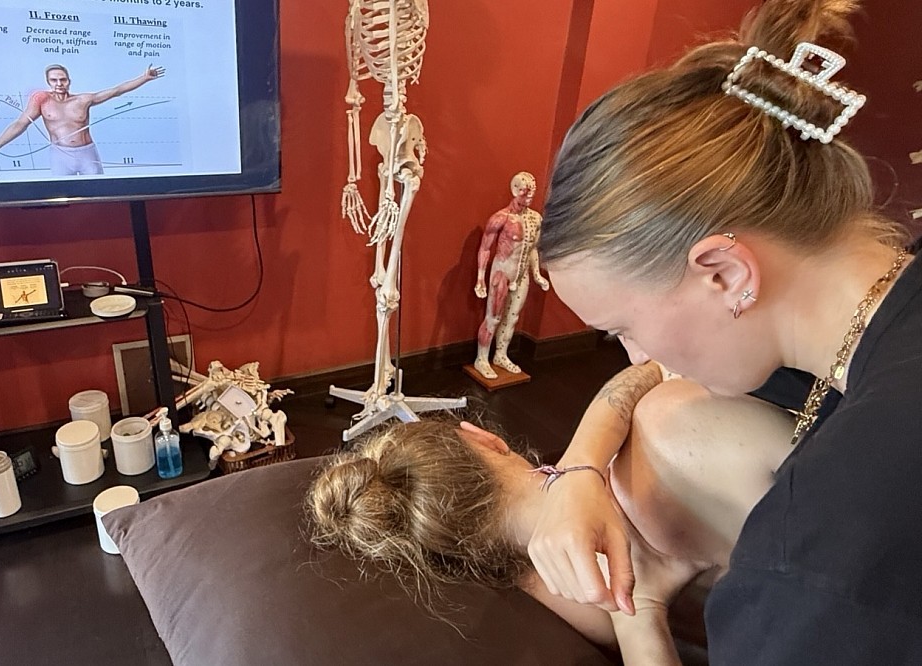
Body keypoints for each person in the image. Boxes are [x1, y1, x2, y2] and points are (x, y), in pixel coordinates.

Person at [529, 0, 922, 662]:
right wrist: (577, 469)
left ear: (724, 273)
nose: (636, 355)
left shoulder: (812, 562)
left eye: (623, 328)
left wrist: (638, 614)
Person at [307, 392, 795, 664]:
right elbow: (644, 373)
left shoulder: (551, 589)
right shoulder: (662, 425)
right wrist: (584, 464)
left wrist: (640, 609)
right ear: (485, 439)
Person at [0, 63, 165, 176]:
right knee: (61, 199)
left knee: (99, 196)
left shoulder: (83, 99)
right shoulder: (41, 99)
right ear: (48, 82)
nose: (59, 84)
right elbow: (21, 123)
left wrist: (144, 78)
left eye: (63, 79)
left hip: (87, 154)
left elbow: (116, 91)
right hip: (60, 156)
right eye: (54, 80)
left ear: (69, 81)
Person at [473, 171, 551, 379]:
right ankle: (481, 358)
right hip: (502, 273)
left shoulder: (535, 219)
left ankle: (501, 355)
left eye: (532, 193)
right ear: (515, 190)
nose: (529, 196)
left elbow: (533, 249)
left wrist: (537, 274)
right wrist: (480, 278)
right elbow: (485, 248)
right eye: (526, 192)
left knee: (512, 317)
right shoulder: (500, 218)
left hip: (522, 275)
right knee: (494, 318)